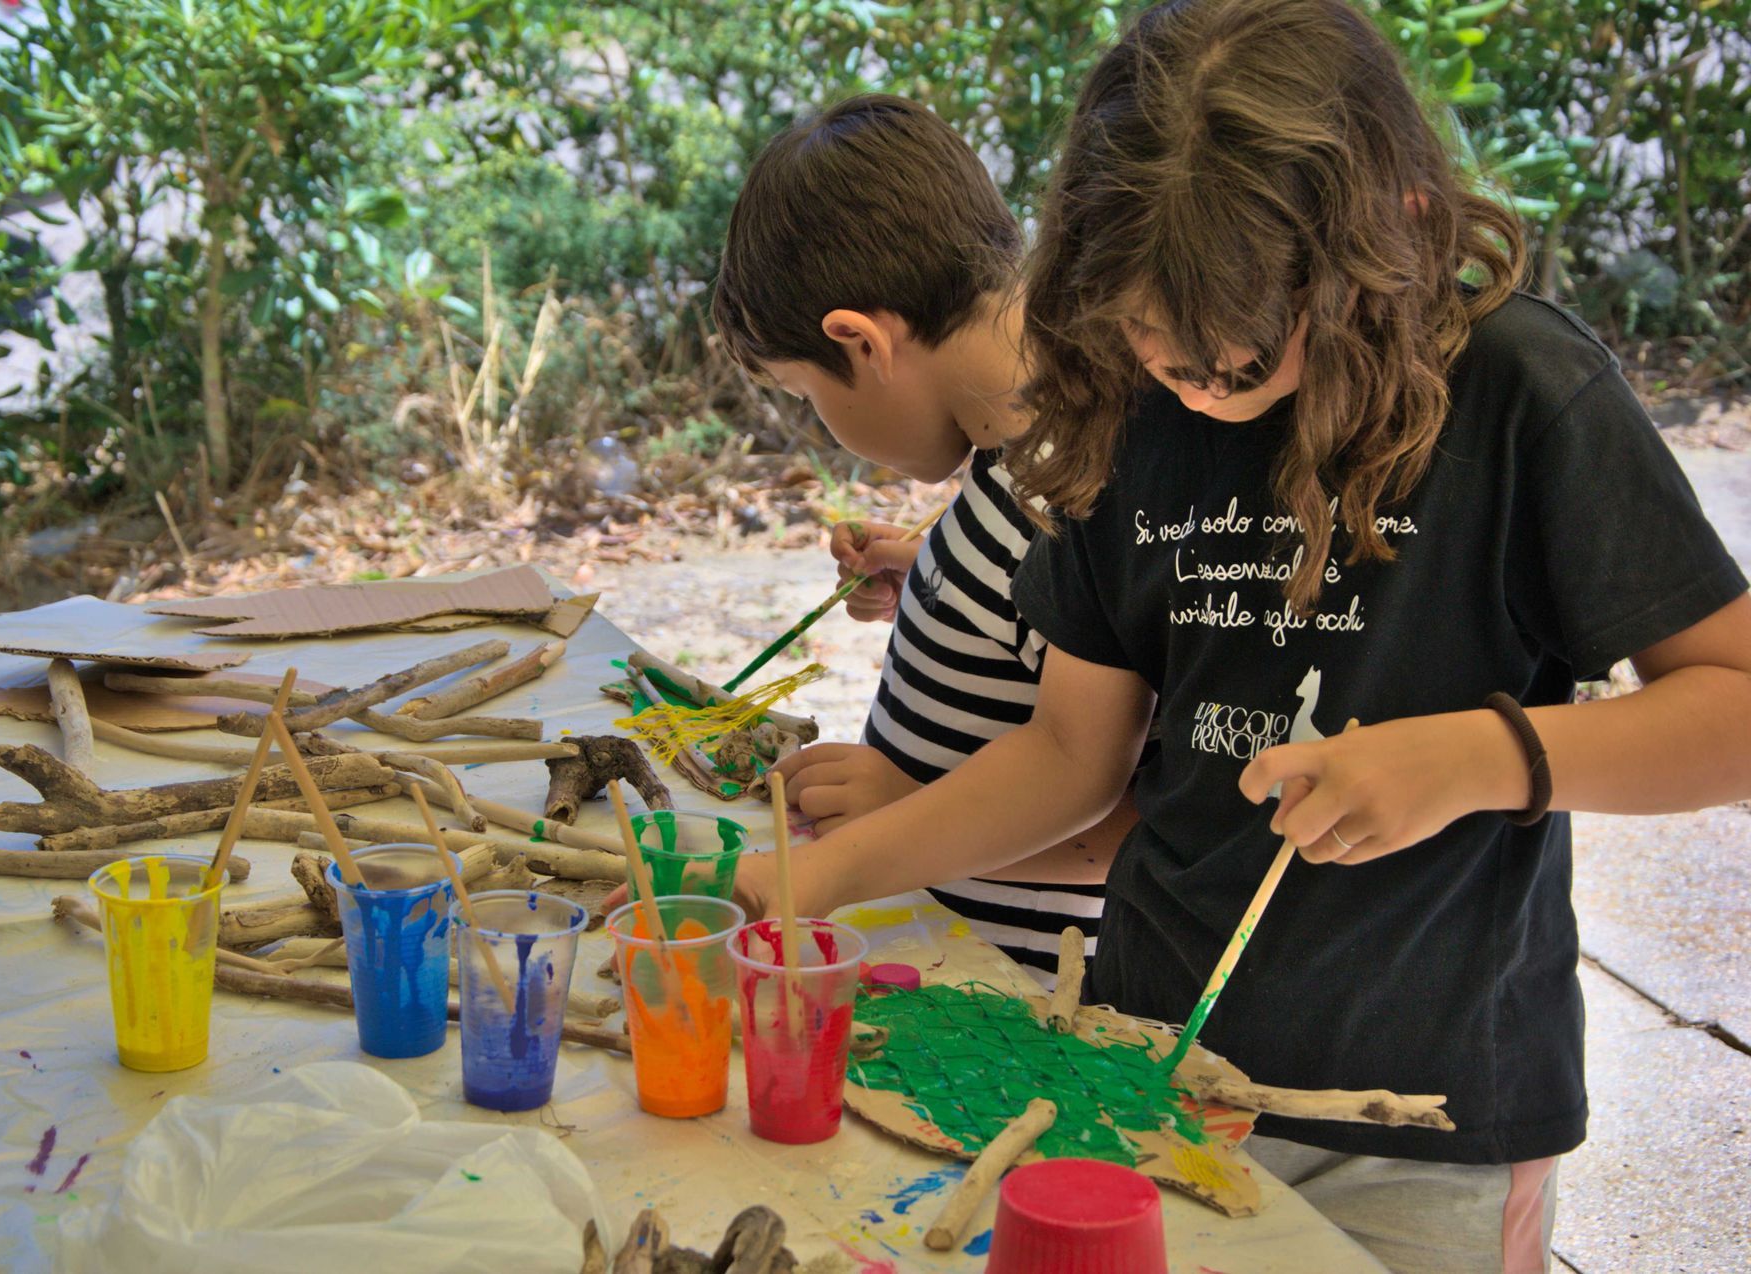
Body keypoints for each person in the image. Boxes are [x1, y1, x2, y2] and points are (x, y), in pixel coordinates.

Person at [730, 3, 1751, 1270]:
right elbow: (1067, 755)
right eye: (1147, 337)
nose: (1187, 379)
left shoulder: (1525, 398)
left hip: (1419, 1119)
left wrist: (1483, 759)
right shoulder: (1129, 399)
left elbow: (1735, 703)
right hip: (1151, 1060)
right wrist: (828, 875)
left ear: (1388, 238)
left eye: (1232, 348)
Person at [711, 94, 1138, 986]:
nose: (817, 423)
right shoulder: (1020, 451)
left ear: (861, 344)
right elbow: (1024, 629)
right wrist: (931, 575)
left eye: (802, 394)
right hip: (942, 944)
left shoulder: (1067, 493)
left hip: (1018, 1002)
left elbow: (1121, 831)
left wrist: (903, 810)